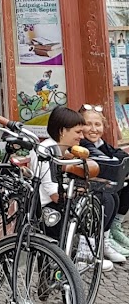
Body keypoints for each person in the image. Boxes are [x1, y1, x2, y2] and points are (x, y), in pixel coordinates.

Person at [31, 106, 118, 270]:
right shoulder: (46, 151)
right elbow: (54, 193)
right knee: (102, 200)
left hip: (59, 201)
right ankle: (84, 254)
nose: (81, 136)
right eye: (78, 132)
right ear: (63, 131)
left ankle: (93, 248)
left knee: (110, 196)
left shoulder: (65, 150)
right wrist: (79, 191)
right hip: (48, 209)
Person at [79, 102, 129, 257]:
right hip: (85, 187)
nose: (93, 129)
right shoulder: (82, 144)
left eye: (97, 124)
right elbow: (109, 162)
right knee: (109, 196)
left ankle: (114, 227)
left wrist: (118, 160)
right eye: (88, 124)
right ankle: (103, 238)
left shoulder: (100, 143)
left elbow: (121, 156)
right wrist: (117, 161)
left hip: (101, 183)